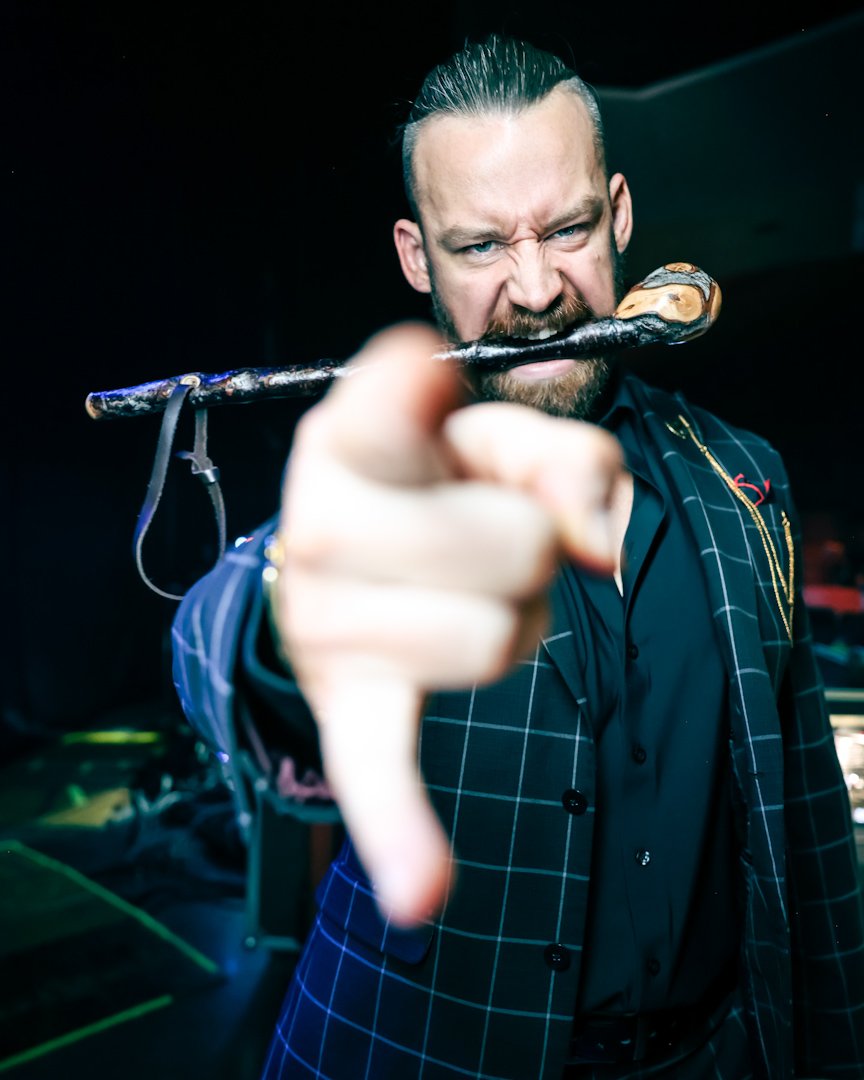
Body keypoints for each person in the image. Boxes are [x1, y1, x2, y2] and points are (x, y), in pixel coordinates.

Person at [170, 33, 864, 1079]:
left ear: (620, 213)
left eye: (570, 229)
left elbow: (809, 841)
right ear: (417, 258)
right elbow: (223, 625)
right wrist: (279, 618)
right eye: (481, 246)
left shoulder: (743, 480)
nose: (536, 291)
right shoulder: (406, 495)